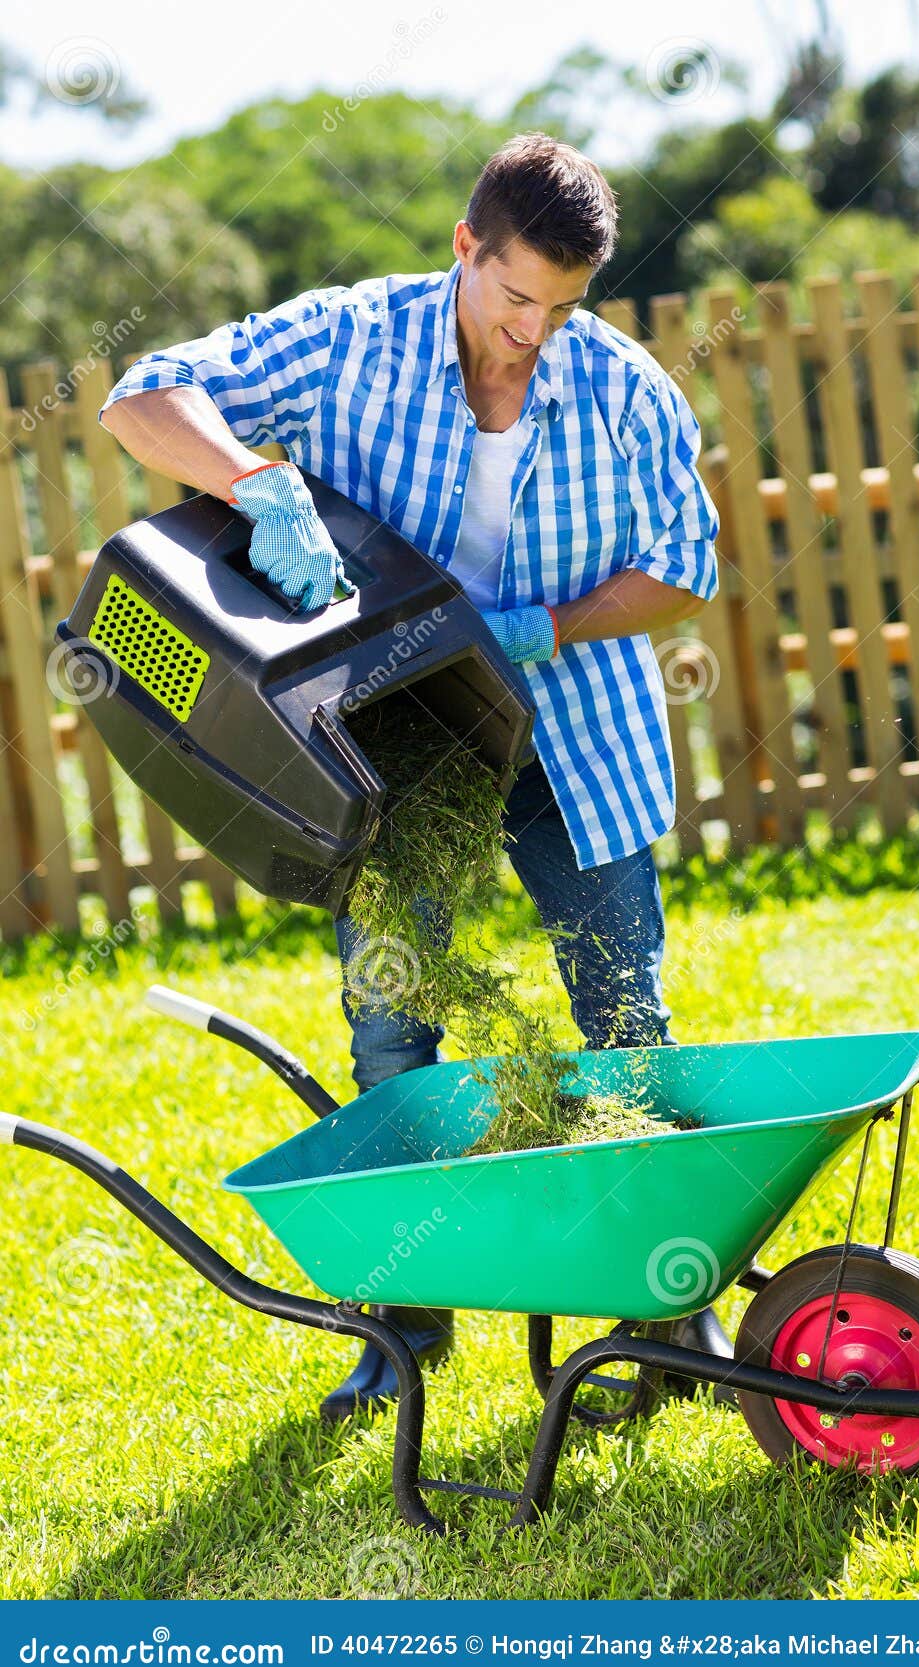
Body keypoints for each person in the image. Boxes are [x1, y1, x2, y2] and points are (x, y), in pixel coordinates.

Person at [99, 131, 726, 1421]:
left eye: (562, 309)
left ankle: (672, 1317)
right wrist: (256, 479)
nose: (533, 334)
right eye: (513, 301)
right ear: (464, 247)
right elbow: (140, 396)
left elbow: (687, 566)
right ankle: (404, 1326)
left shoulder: (623, 389)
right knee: (393, 1021)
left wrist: (544, 624)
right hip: (398, 744)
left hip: (571, 730)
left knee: (623, 1006)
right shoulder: (350, 341)